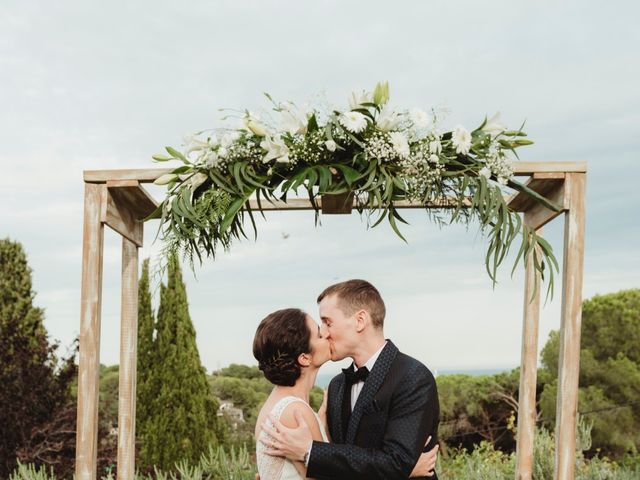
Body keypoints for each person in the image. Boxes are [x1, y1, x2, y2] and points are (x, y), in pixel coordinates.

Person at [260, 279, 440, 479]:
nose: (324, 333)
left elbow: (397, 462)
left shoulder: (412, 377)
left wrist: (309, 451)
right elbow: (339, 463)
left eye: (328, 322)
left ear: (360, 320)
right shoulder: (337, 386)